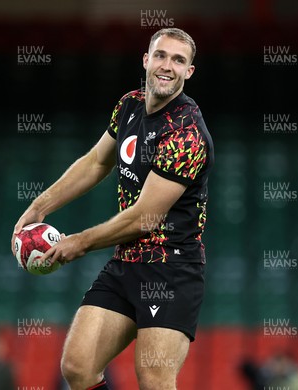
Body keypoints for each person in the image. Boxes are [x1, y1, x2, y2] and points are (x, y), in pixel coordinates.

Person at [12, 28, 214, 390]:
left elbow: (143, 218)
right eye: (162, 56)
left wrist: (81, 242)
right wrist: (38, 207)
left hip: (171, 269)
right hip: (127, 263)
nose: (168, 66)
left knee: (153, 380)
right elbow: (95, 163)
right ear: (146, 60)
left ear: (189, 72)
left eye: (179, 60)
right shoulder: (129, 105)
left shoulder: (187, 134)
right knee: (78, 366)